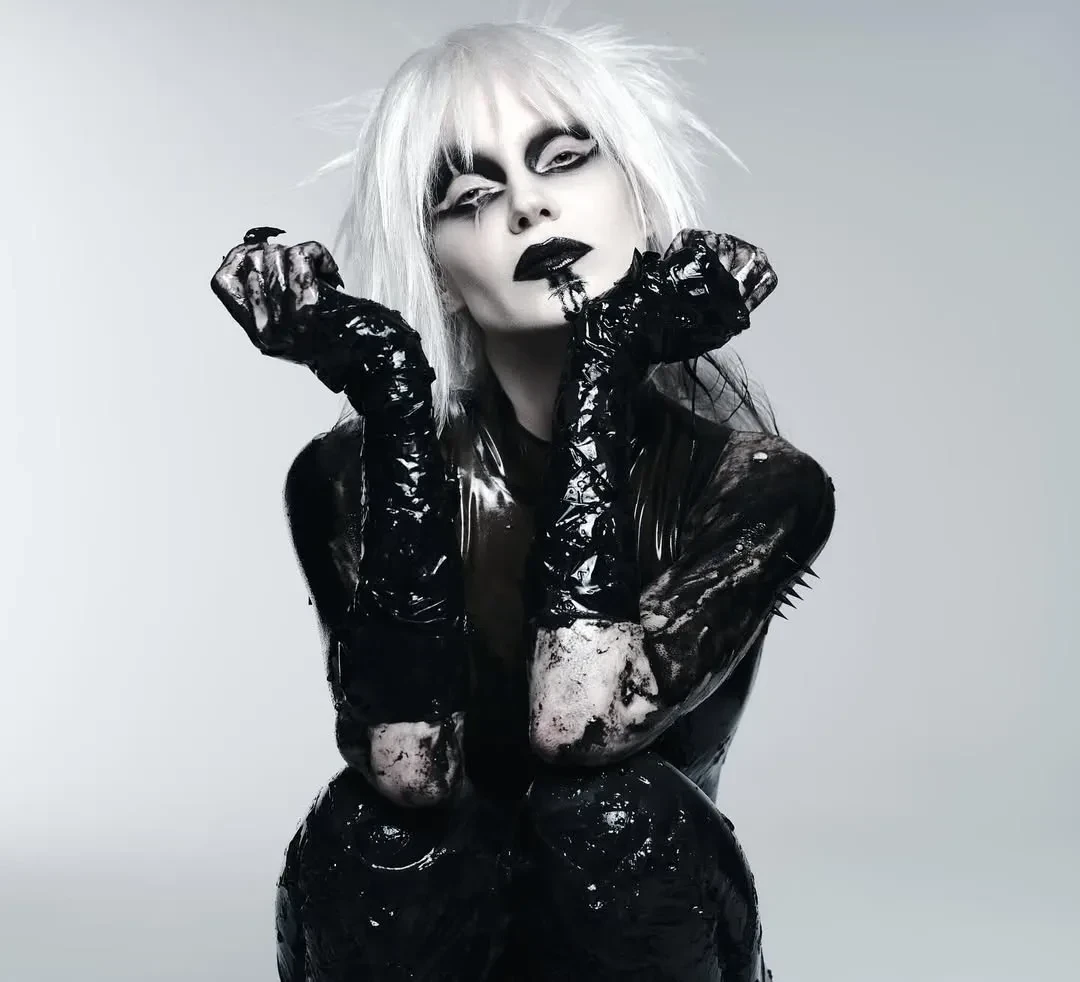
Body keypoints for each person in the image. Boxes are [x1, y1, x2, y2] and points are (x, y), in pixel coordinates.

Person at [211, 19, 835, 982]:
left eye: (566, 160)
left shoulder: (760, 485)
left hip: (644, 920)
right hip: (443, 925)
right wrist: (391, 395)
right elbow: (409, 765)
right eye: (470, 196)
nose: (528, 207)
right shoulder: (342, 477)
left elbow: (580, 724)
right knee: (374, 829)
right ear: (440, 270)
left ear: (640, 197)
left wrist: (604, 365)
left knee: (609, 811)